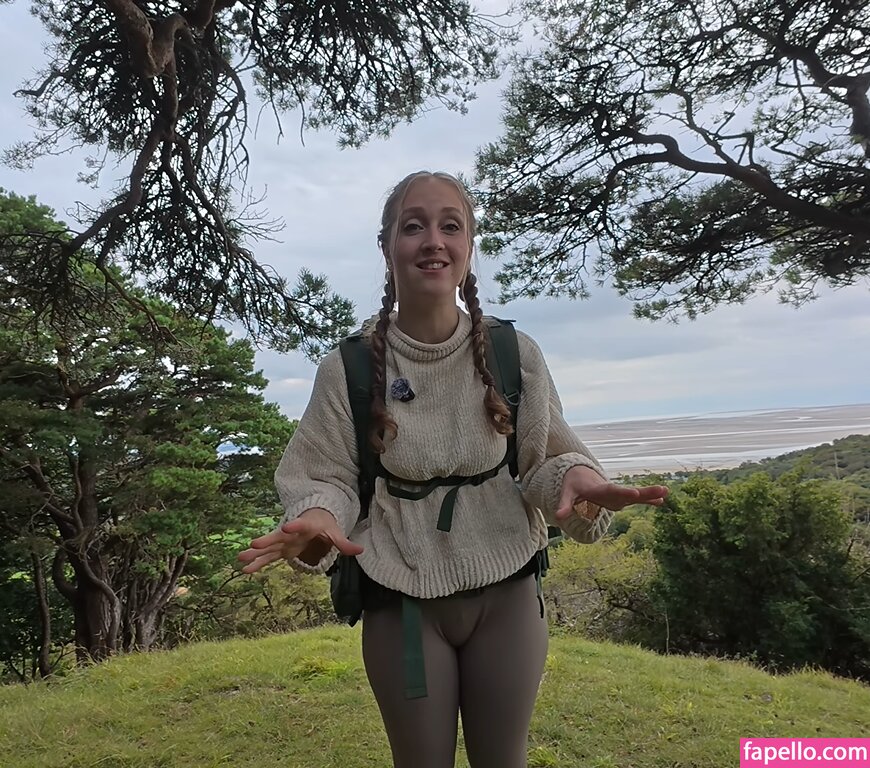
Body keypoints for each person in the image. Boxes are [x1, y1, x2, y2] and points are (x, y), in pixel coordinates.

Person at [237, 171, 668, 768]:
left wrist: (576, 479)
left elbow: (545, 460)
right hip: (401, 594)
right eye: (413, 226)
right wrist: (316, 517)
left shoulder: (514, 354)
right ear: (387, 246)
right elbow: (324, 476)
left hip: (507, 585)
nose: (433, 240)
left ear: (469, 246)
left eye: (450, 225)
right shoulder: (350, 368)